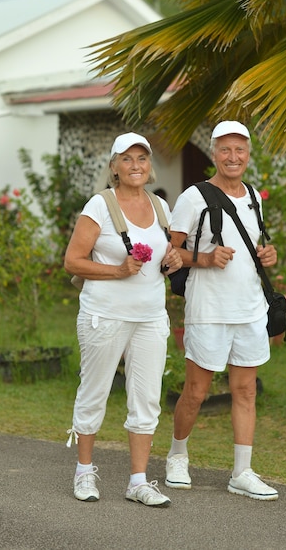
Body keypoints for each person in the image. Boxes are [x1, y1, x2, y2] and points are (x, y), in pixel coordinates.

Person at [64, 132, 182, 508]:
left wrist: (173, 260)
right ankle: (84, 472)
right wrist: (117, 271)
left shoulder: (162, 207)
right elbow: (73, 261)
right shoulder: (100, 205)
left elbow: (168, 255)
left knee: (146, 399)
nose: (135, 166)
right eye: (126, 159)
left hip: (150, 317)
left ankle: (138, 481)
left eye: (142, 159)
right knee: (94, 391)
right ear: (114, 167)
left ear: (150, 166)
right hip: (104, 315)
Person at [165, 121, 279, 501]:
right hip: (209, 309)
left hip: (250, 309)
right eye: (226, 150)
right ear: (214, 153)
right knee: (196, 391)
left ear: (248, 154)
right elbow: (169, 256)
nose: (233, 158)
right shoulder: (193, 197)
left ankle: (242, 472)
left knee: (245, 391)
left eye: (240, 150)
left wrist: (269, 255)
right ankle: (177, 456)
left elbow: (252, 246)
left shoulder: (254, 196)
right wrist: (205, 258)